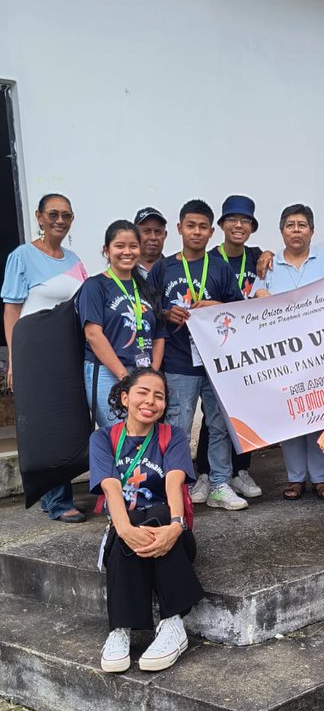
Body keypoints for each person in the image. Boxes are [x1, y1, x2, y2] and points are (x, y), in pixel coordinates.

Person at [89, 368, 203, 673]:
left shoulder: (173, 436)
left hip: (169, 528)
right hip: (126, 530)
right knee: (128, 523)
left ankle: (173, 623)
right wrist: (124, 528)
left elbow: (174, 482)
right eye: (143, 392)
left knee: (159, 514)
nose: (151, 401)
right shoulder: (103, 438)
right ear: (125, 397)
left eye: (159, 396)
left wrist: (176, 526)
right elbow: (111, 486)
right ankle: (121, 630)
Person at [149, 200, 248, 511]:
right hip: (178, 362)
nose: (196, 232)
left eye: (203, 227)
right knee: (178, 424)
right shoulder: (163, 268)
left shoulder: (220, 267)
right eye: (190, 226)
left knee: (219, 424)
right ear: (179, 229)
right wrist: (166, 313)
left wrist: (214, 307)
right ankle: (179, 484)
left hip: (216, 362)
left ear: (211, 230)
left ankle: (220, 482)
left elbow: (240, 310)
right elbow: (149, 313)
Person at [1, 193, 87, 522]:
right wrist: (15, 359)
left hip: (67, 351)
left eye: (66, 215)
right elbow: (11, 310)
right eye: (53, 214)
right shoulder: (22, 256)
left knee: (66, 423)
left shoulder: (74, 258)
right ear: (39, 216)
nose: (60, 220)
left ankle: (63, 491)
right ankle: (56, 500)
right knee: (47, 426)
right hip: (35, 355)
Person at [253, 203, 324, 499]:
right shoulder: (269, 264)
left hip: (321, 351)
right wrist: (260, 295)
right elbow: (254, 304)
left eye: (302, 225)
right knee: (290, 415)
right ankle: (295, 478)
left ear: (312, 231)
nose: (296, 230)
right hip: (283, 356)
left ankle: (321, 477)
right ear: (281, 231)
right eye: (290, 225)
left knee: (320, 409)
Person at [192, 194, 264, 503]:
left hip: (249, 346)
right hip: (216, 346)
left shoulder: (259, 256)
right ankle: (206, 474)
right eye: (232, 220)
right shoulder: (209, 259)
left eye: (245, 221)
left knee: (245, 408)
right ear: (220, 225)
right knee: (214, 413)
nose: (238, 225)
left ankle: (240, 470)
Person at [78, 221, 162, 428]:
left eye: (133, 246)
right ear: (106, 250)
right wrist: (124, 377)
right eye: (119, 246)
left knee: (143, 433)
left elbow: (159, 334)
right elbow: (93, 334)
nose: (127, 252)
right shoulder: (94, 286)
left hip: (142, 371)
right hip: (108, 372)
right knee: (119, 434)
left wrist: (152, 374)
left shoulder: (146, 287)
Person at [134, 207, 168, 279]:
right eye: (146, 231)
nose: (153, 237)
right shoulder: (124, 271)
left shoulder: (174, 270)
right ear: (135, 234)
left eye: (158, 231)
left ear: (165, 235)